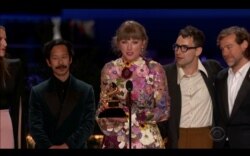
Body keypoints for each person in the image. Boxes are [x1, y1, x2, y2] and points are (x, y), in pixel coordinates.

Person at [95, 20, 170, 149]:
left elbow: (164, 111)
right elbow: (103, 109)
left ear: (143, 43)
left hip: (147, 140)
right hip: (117, 139)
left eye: (134, 42)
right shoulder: (110, 69)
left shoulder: (154, 69)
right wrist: (108, 117)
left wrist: (132, 115)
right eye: (124, 42)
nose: (129, 48)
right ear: (118, 44)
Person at [28, 39, 96, 149]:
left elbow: (88, 125)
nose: (60, 62)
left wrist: (68, 145)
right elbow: (35, 126)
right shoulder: (37, 92)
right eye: (55, 58)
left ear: (70, 59)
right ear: (48, 62)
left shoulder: (86, 90)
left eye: (64, 57)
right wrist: (49, 147)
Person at [164, 25, 223, 148]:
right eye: (176, 46)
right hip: (176, 138)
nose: (178, 51)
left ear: (198, 51)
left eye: (184, 47)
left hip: (205, 137)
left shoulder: (213, 69)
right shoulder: (166, 73)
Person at [214, 26, 250, 148]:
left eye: (229, 47)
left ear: (244, 44)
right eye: (222, 49)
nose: (224, 53)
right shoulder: (220, 77)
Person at [0, 25, 26, 149]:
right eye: (0, 39)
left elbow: (18, 109)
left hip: (5, 126)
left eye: (5, 39)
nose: (5, 44)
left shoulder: (14, 67)